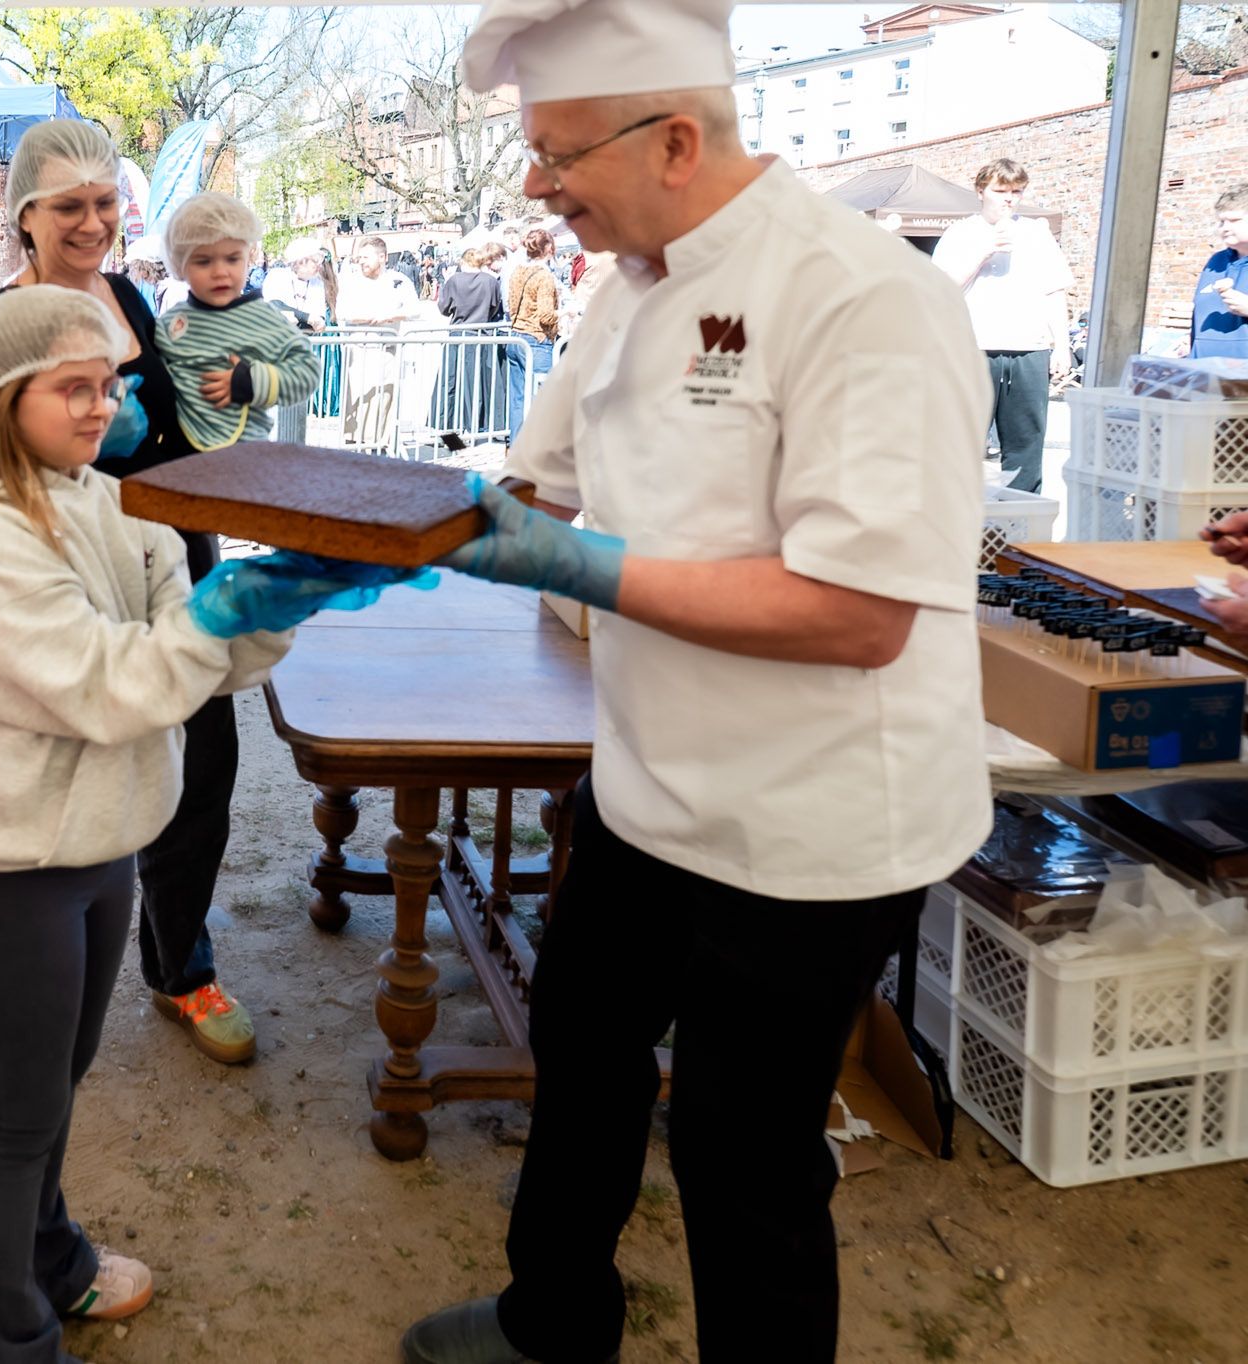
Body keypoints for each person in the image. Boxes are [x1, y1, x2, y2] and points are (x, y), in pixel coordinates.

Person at [399, 1, 993, 1361]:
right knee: (579, 1047)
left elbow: (857, 613)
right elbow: (532, 487)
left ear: (674, 139)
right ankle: (554, 1320)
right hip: (645, 785)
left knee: (742, 1145)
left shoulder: (863, 297)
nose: (537, 187)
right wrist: (367, 534)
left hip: (813, 823)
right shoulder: (625, 290)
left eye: (559, 155)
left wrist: (582, 568)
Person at [0, 285, 414, 1364]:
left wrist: (275, 599)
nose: (104, 406)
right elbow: (110, 684)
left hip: (102, 839)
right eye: (74, 387)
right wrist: (225, 612)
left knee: (56, 1084)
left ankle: (51, 1262)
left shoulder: (119, 501)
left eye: (113, 383)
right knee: (18, 1116)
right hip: (10, 859)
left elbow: (190, 654)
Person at [0, 118, 262, 1066]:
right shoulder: (2, 321)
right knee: (59, 781)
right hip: (64, 576)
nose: (93, 222)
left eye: (105, 203)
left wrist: (225, 413)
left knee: (202, 767)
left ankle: (181, 967)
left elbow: (176, 434)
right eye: (69, 206)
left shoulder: (133, 297)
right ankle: (31, 979)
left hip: (175, 559)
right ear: (25, 214)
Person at [933, 159, 1073, 493]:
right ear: (981, 191)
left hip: (1029, 348)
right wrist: (982, 253)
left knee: (1026, 443)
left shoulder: (1036, 233)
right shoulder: (961, 233)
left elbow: (1054, 290)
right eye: (1000, 191)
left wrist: (1062, 346)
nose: (1009, 199)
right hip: (973, 349)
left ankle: (1021, 513)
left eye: (1016, 192)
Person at [156, 193, 321, 450]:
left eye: (232, 258)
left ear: (248, 257)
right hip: (178, 455)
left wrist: (252, 381)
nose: (220, 271)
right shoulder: (170, 323)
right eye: (204, 261)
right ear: (180, 264)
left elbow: (307, 371)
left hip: (243, 455)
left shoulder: (264, 319)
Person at [336, 237, 419, 449]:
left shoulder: (399, 281)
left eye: (366, 257)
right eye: (360, 258)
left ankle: (380, 445)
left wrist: (391, 316)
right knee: (357, 401)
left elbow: (414, 310)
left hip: (387, 351)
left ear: (382, 257)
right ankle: (353, 445)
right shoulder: (352, 282)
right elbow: (342, 312)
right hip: (359, 350)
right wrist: (370, 317)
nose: (361, 261)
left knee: (383, 401)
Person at [263, 238, 332, 443]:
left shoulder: (317, 283)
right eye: (314, 261)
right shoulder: (277, 276)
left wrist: (297, 318)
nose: (318, 265)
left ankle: (292, 447)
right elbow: (275, 306)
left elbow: (318, 321)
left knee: (297, 402)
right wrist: (306, 317)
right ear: (300, 261)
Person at [436, 245, 506, 435]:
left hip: (458, 334)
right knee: (479, 385)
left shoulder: (454, 280)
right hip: (482, 336)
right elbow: (494, 306)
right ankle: (476, 428)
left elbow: (444, 308)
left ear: (463, 261)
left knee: (452, 384)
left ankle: (449, 431)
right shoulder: (490, 281)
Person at [504, 226, 562, 442]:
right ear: (549, 249)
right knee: (544, 401)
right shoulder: (544, 277)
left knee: (518, 400)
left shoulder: (517, 271)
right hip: (537, 340)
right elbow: (546, 316)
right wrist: (565, 313)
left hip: (516, 336)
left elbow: (510, 305)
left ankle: (516, 447)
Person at [1190, 184, 1248, 360]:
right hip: (1203, 368)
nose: (1225, 228)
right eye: (1222, 222)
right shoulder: (1216, 262)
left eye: (1234, 220)